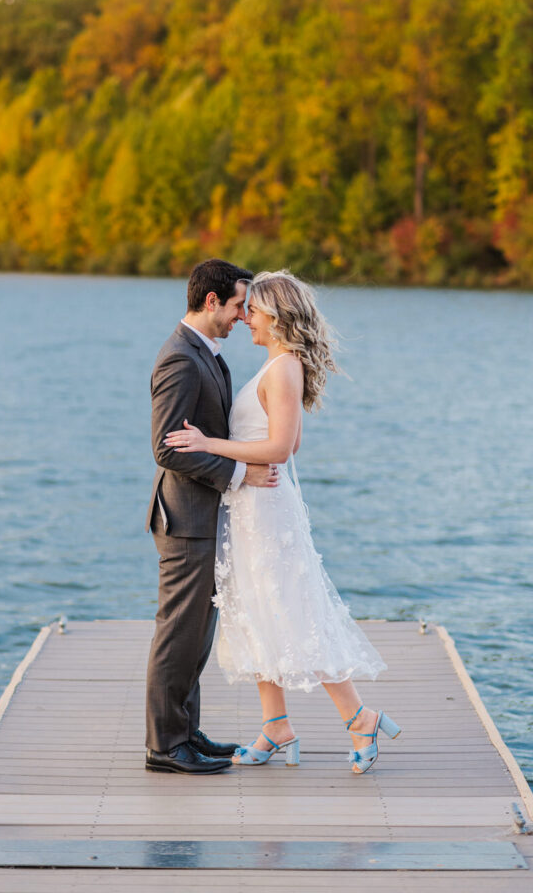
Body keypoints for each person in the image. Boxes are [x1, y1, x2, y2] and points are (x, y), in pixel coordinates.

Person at [164, 270, 400, 773]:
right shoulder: (273, 365)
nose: (245, 316)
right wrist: (232, 463)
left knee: (293, 611)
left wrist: (210, 445)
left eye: (254, 310)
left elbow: (281, 447)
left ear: (275, 316)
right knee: (254, 612)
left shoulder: (284, 367)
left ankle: (359, 717)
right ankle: (276, 727)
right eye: (243, 308)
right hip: (247, 505)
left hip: (267, 509)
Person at [144, 259, 279, 775]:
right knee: (178, 632)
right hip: (184, 518)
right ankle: (164, 747)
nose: (243, 316)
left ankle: (184, 732)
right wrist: (241, 475)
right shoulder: (180, 358)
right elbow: (166, 449)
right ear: (211, 302)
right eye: (239, 305)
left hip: (206, 516)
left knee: (198, 633)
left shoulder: (208, 354)